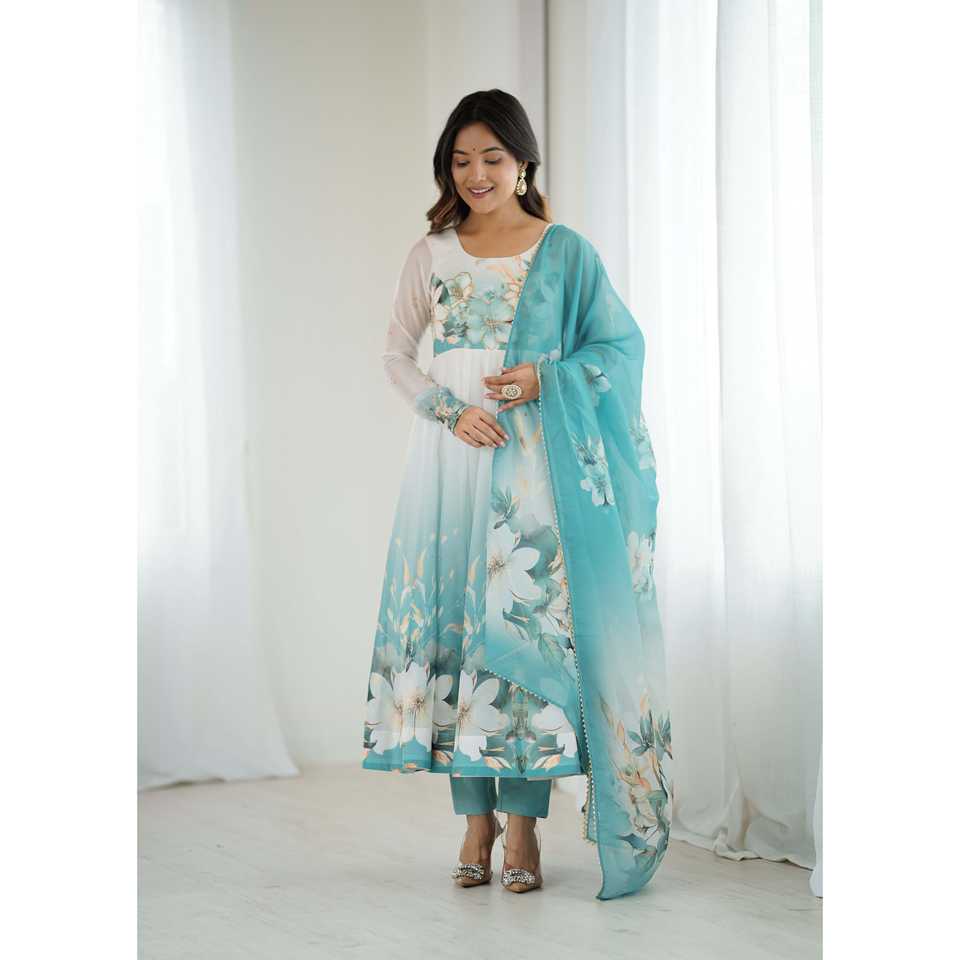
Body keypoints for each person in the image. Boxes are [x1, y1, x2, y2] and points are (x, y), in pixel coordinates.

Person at [361, 89, 673, 901]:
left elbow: (620, 347)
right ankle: (476, 823)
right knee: (460, 634)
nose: (476, 174)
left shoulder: (563, 252)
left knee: (524, 635)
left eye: (492, 158)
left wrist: (545, 376)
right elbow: (395, 354)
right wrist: (447, 410)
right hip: (451, 461)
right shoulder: (432, 253)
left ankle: (526, 826)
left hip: (535, 466)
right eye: (461, 160)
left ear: (523, 162)